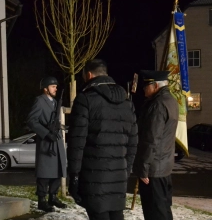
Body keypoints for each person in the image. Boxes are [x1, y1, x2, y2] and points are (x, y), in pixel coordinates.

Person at [67, 59, 138, 220]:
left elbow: (76, 144)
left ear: (89, 75)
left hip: (93, 178)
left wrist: (74, 176)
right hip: (119, 176)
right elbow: (133, 143)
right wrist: (125, 171)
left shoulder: (85, 99)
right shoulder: (127, 103)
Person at [133, 70, 179, 220]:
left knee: (154, 211)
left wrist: (144, 168)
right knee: (163, 208)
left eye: (146, 85)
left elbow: (151, 138)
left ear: (155, 86)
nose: (143, 89)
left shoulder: (157, 105)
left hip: (153, 168)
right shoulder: (170, 100)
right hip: (163, 166)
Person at [26, 76, 67, 212]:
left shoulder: (55, 102)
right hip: (46, 141)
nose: (55, 88)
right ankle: (42, 200)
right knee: (44, 173)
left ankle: (53, 196)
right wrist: (45, 133)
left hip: (57, 140)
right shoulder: (40, 101)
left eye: (56, 86)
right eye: (53, 86)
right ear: (45, 89)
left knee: (58, 170)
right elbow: (32, 120)